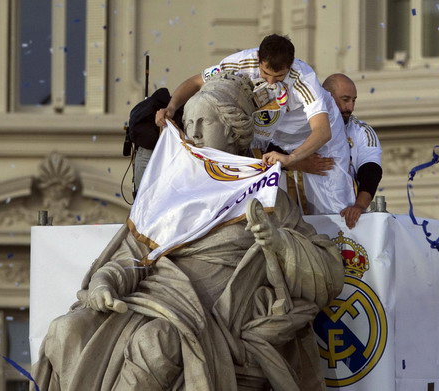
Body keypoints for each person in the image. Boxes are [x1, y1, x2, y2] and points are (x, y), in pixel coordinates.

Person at [31, 72, 344, 391]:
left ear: (233, 130)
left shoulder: (266, 194)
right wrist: (105, 282)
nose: (191, 133)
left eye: (203, 123)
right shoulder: (171, 190)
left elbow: (329, 274)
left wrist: (281, 243)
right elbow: (136, 256)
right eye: (188, 122)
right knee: (66, 330)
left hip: (216, 315)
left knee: (155, 342)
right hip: (151, 300)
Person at [156, 34, 356, 217]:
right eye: (265, 73)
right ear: (258, 58)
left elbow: (322, 131)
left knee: (333, 208)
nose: (270, 82)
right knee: (271, 205)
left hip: (318, 137)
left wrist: (291, 158)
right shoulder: (239, 62)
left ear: (291, 65)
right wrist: (171, 107)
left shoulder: (304, 78)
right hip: (273, 132)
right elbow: (196, 82)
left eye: (279, 77)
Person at [322, 73, 383, 229]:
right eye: (345, 100)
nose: (350, 107)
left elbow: (371, 170)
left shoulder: (362, 131)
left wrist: (359, 207)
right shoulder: (302, 126)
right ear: (326, 97)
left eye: (353, 100)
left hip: (344, 218)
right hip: (303, 217)